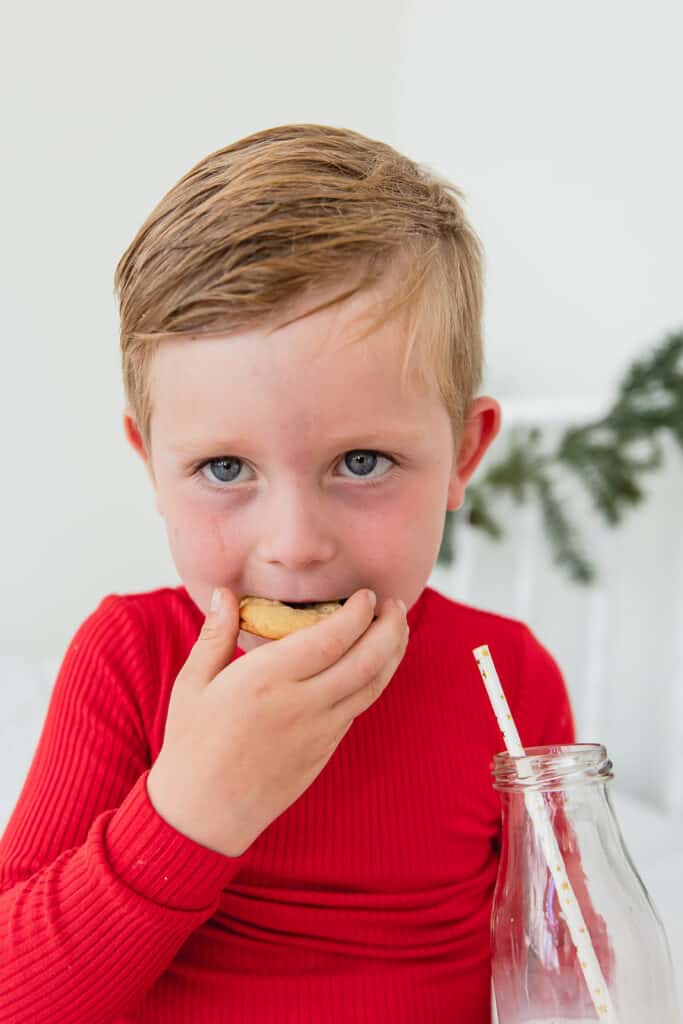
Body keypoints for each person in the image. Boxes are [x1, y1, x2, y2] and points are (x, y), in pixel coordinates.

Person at [0, 123, 575, 1023]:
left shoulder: (508, 681)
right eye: (226, 470)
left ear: (463, 453)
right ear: (152, 465)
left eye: (361, 462)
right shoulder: (129, 659)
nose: (296, 544)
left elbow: (564, 966)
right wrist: (193, 806)